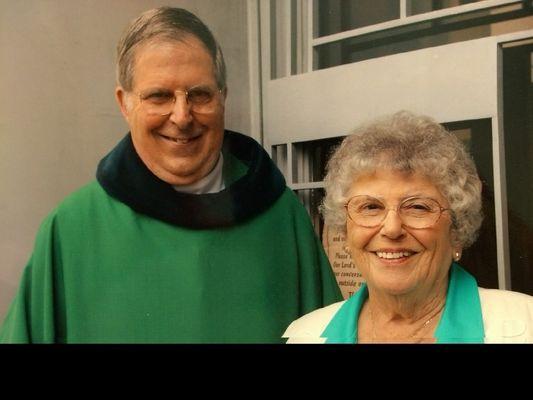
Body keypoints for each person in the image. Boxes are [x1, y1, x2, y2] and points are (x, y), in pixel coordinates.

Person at [0, 7, 341, 343]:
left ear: (222, 97)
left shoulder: (281, 218)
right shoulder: (70, 231)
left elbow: (335, 334)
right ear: (125, 103)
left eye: (199, 95)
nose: (182, 116)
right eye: (159, 96)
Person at [283, 111, 533, 343]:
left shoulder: (526, 325)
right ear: (346, 232)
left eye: (418, 207)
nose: (392, 229)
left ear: (457, 232)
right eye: (370, 207)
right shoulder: (304, 335)